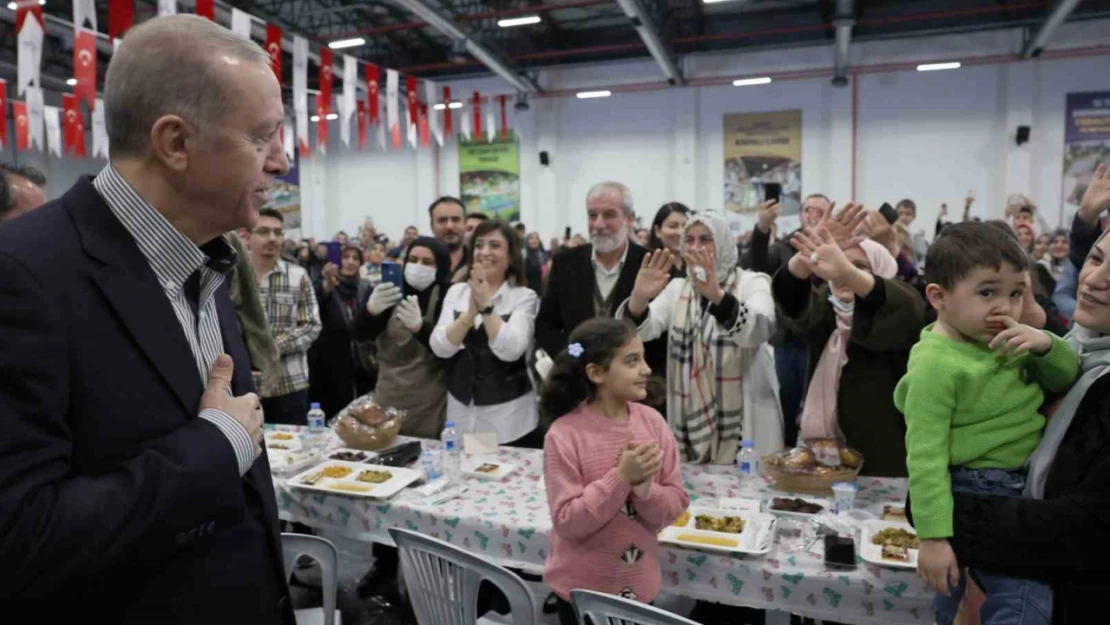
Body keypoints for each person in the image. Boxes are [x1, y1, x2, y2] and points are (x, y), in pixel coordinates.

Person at [0, 15, 293, 621]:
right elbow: (20, 538)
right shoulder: (24, 277)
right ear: (176, 143)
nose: (282, 162)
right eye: (263, 137)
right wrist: (214, 445)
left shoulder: (204, 257)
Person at [895, 222, 1079, 625]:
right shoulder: (935, 364)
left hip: (1014, 487)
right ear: (938, 296)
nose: (1005, 307)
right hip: (970, 488)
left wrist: (1046, 344)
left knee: (982, 608)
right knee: (1016, 605)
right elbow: (925, 457)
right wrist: (933, 537)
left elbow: (1065, 377)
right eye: (987, 292)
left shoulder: (1005, 337)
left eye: (1016, 293)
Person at [944, 228, 1110, 624]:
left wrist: (948, 513)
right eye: (1097, 257)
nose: (1094, 279)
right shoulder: (1076, 352)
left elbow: (1086, 529)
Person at [540, 317, 689, 625]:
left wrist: (644, 488)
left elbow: (675, 506)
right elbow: (567, 521)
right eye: (632, 361)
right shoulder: (564, 435)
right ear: (596, 373)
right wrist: (621, 478)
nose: (647, 369)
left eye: (644, 358)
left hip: (639, 589)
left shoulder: (653, 424)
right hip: (580, 594)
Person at [617, 210, 782, 463]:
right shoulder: (677, 288)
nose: (696, 247)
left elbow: (760, 329)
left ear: (724, 242)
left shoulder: (752, 282)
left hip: (742, 420)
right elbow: (644, 330)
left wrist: (717, 295)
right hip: (687, 412)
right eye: (689, 240)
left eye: (706, 239)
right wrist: (639, 297)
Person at [776, 204, 925, 477]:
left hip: (880, 457)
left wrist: (847, 271)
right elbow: (790, 301)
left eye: (860, 267)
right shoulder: (826, 306)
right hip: (822, 455)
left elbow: (905, 308)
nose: (842, 274)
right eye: (840, 264)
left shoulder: (901, 302)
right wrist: (804, 258)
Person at [351, 236, 454, 602]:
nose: (420, 265)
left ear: (440, 267)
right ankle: (384, 562)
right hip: (388, 397)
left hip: (431, 401)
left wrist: (422, 329)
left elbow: (452, 354)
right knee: (385, 488)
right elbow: (359, 334)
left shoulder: (449, 296)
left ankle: (430, 568)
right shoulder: (388, 290)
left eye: (429, 260)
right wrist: (370, 311)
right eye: (414, 258)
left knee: (427, 487)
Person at [431, 220, 541, 447]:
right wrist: (470, 313)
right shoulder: (456, 292)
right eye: (479, 245)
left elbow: (511, 350)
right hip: (460, 413)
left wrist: (486, 307)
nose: (484, 252)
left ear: (510, 256)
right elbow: (440, 347)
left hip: (507, 418)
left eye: (494, 245)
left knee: (496, 476)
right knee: (465, 474)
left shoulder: (523, 297)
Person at [746, 193, 832, 447]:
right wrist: (762, 228)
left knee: (822, 406)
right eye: (807, 209)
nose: (812, 215)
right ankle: (785, 454)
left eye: (819, 210)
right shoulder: (786, 245)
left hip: (825, 339)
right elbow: (758, 262)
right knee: (788, 402)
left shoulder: (837, 246)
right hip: (790, 341)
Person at [536, 182, 648, 363]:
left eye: (609, 215)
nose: (598, 224)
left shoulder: (649, 264)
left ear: (629, 219)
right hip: (578, 377)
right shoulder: (565, 263)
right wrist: (575, 355)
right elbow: (546, 326)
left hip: (634, 379)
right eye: (592, 215)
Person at [249, 207, 322, 424]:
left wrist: (273, 346)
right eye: (263, 231)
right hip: (243, 386)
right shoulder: (231, 275)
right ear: (247, 236)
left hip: (289, 383)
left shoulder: (298, 276)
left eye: (278, 232)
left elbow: (311, 325)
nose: (272, 238)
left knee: (292, 453)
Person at [310, 245, 376, 418]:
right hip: (331, 360)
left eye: (355, 258)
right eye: (345, 257)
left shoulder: (366, 288)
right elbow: (313, 308)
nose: (350, 262)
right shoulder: (323, 284)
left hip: (362, 359)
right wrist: (326, 286)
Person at [647, 202, 690, 279]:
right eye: (672, 226)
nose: (680, 232)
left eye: (685, 226)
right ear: (657, 231)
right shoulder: (647, 265)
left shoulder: (695, 264)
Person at [429, 196, 469, 279]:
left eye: (456, 219)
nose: (449, 226)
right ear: (432, 226)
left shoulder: (477, 262)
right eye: (442, 220)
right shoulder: (422, 265)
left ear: (465, 224)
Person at [895, 198, 929, 265]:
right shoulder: (892, 229)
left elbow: (919, 256)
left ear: (914, 216)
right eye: (900, 213)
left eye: (908, 214)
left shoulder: (915, 234)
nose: (903, 217)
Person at [1035, 229, 1069, 294]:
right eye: (1055, 242)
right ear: (1048, 246)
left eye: (1064, 242)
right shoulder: (1040, 267)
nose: (1059, 245)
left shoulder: (1075, 270)